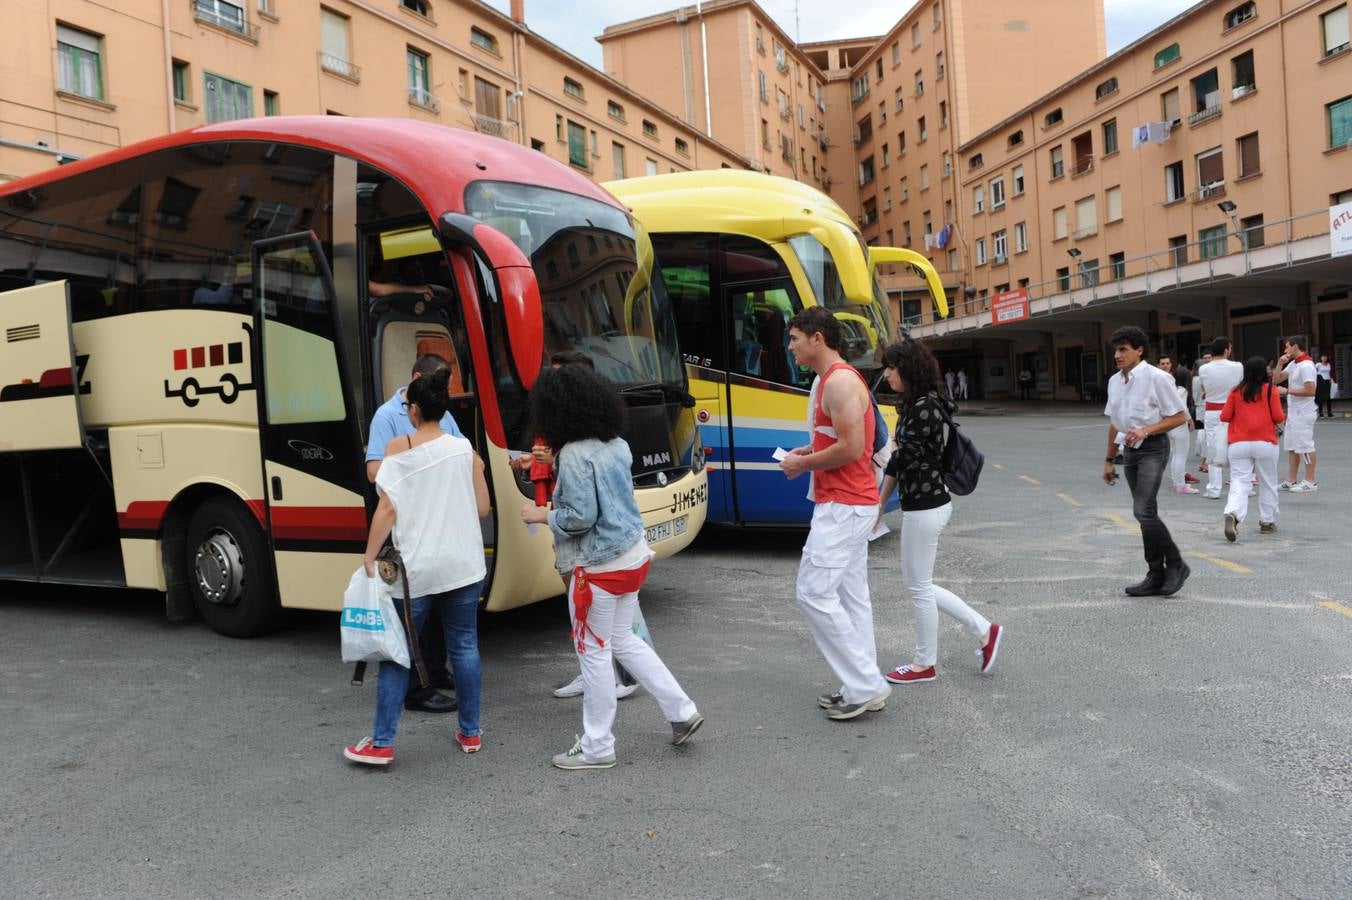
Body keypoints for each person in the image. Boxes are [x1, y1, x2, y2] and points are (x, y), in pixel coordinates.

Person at [520, 366, 703, 770]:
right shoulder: (616, 443)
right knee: (624, 640)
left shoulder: (572, 454)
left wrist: (540, 514)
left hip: (595, 569)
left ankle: (597, 747)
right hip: (632, 556)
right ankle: (681, 710)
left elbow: (578, 518)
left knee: (594, 654)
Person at [344, 368, 491, 766]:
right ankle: (471, 733)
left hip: (417, 570)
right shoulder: (464, 450)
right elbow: (482, 508)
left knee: (398, 652)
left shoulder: (398, 448)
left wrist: (370, 555)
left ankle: (381, 742)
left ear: (414, 410)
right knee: (464, 645)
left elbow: (387, 506)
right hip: (464, 564)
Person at [513, 350, 646, 702]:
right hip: (616, 546)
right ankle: (672, 704)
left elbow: (581, 513)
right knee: (614, 631)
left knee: (602, 631)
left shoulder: (580, 447)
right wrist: (543, 462)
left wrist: (542, 514)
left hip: (594, 548)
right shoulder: (602, 439)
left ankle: (606, 710)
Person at [779, 307, 891, 721]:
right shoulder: (830, 380)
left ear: (817, 339)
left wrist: (801, 465)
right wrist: (808, 452)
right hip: (849, 503)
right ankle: (862, 683)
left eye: (794, 338)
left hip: (844, 505)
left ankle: (865, 684)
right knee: (850, 596)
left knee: (813, 592)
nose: (790, 347)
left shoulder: (840, 382)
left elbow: (851, 448)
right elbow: (841, 441)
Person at [876, 338, 1003, 685]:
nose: (886, 374)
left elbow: (904, 458)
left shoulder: (925, 407)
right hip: (922, 504)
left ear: (908, 369)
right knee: (920, 584)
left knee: (918, 587)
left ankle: (924, 664)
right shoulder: (914, 404)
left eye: (891, 367)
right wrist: (879, 503)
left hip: (928, 505)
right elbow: (897, 464)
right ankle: (983, 631)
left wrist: (885, 454)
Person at [366, 354, 466, 714]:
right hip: (407, 526)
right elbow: (375, 471)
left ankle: (436, 671)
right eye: (441, 382)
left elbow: (460, 456)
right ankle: (416, 690)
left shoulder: (442, 413)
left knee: (435, 606)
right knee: (412, 613)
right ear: (418, 379)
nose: (447, 391)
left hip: (435, 522)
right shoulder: (385, 416)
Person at [1103, 326, 1190, 597]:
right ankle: (1155, 574)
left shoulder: (1157, 378)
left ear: (1139, 350)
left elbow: (1179, 417)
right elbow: (1114, 423)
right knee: (1145, 514)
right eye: (1116, 350)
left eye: (1123, 350)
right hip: (1129, 452)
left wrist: (1146, 430)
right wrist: (1109, 460)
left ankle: (1175, 564)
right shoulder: (1114, 382)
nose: (1117, 355)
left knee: (1142, 510)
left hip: (1153, 448)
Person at [1220, 356, 1284, 541]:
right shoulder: (1270, 389)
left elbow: (1224, 416)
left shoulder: (1235, 391)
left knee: (1240, 481)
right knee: (1268, 481)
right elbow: (1278, 417)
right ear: (1264, 371)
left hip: (1238, 444)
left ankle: (1233, 513)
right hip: (1265, 442)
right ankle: (1267, 522)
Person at [1196, 337, 1244, 500]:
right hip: (1233, 410)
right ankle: (1242, 486)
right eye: (1229, 348)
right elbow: (1240, 386)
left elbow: (1205, 388)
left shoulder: (1204, 369)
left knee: (1214, 448)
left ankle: (1214, 488)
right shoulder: (1237, 366)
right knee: (1236, 447)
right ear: (1226, 350)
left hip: (1212, 411)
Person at [1273, 335, 1318, 491]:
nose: (1285, 350)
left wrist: (1287, 391)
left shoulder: (1306, 365)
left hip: (1304, 413)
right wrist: (1279, 363)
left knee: (1305, 447)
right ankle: (1291, 480)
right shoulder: (1293, 364)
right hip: (1293, 413)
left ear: (1295, 347)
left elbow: (1311, 390)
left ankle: (1310, 481)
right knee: (1292, 447)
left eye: (1287, 347)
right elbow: (1276, 380)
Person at [1168, 369, 1199, 494]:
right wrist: (1190, 420)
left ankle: (1177, 482)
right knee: (1181, 455)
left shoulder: (1172, 389)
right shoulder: (1183, 390)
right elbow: (1182, 407)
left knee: (1176, 455)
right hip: (1180, 425)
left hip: (1170, 425)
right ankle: (1180, 484)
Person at [1192, 349, 1213, 468]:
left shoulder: (1194, 378)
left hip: (1199, 407)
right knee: (1208, 435)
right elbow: (1207, 391)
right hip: (1206, 406)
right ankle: (1205, 460)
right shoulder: (1201, 379)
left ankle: (1204, 456)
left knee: (1205, 433)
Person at [1315, 353, 1334, 418]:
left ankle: (1330, 412)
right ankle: (1321, 412)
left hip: (1328, 381)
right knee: (1321, 397)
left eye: (1325, 357)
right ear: (1320, 358)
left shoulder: (1328, 364)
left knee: (1328, 397)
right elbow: (1313, 371)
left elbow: (1329, 373)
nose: (1324, 358)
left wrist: (1332, 379)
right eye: (1323, 357)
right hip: (1321, 381)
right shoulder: (1318, 364)